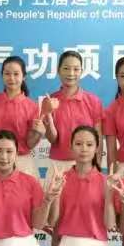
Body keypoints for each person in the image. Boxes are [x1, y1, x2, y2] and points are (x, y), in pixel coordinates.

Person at [42, 50, 104, 178]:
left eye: (76, 69)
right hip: (58, 164)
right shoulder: (49, 101)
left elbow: (98, 137)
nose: (71, 73)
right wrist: (48, 114)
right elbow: (52, 139)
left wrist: (97, 165)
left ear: (81, 71)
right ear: (58, 71)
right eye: (66, 68)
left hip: (86, 164)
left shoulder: (93, 101)